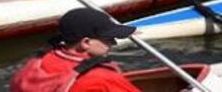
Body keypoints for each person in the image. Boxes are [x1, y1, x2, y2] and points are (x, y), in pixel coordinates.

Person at [10, 8, 141, 92]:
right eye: (108, 38)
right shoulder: (102, 78)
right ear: (86, 42)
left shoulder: (38, 62)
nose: (113, 42)